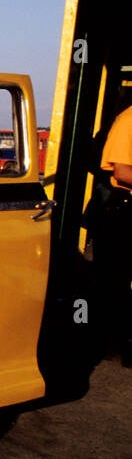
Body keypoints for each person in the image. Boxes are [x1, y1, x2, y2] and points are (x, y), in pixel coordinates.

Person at [92, 98, 132, 360]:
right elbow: (122, 170)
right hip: (124, 208)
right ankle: (115, 344)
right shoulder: (129, 120)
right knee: (115, 280)